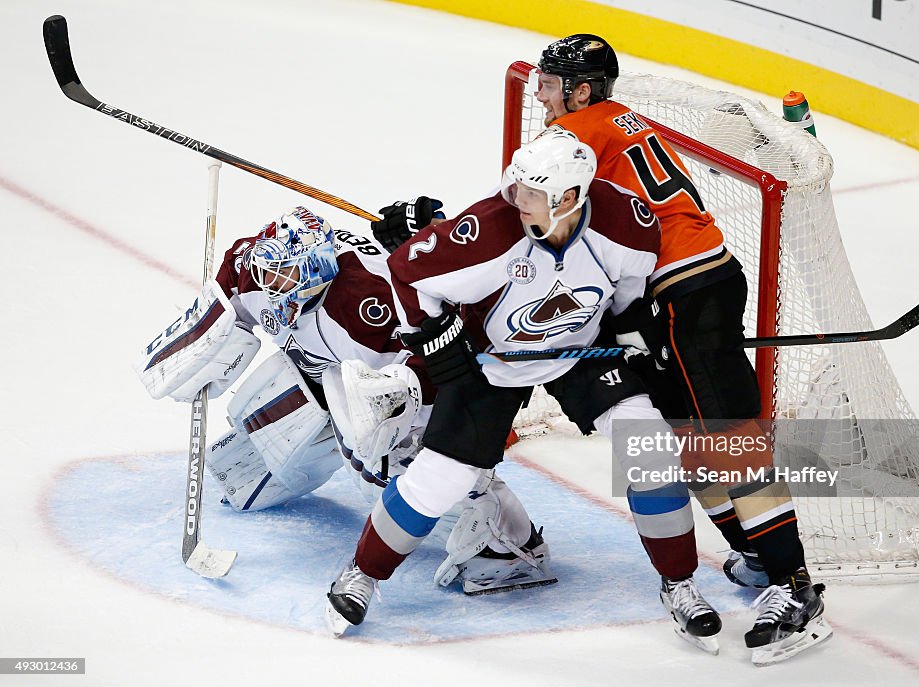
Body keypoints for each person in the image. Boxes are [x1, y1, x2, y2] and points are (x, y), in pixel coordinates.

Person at [331, 133, 722, 654]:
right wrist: (436, 337)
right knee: (440, 478)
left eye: (531, 192)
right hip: (490, 361)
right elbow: (405, 273)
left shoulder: (627, 226)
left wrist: (632, 332)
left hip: (580, 353)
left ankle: (680, 585)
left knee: (648, 446)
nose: (515, 196)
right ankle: (362, 574)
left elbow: (628, 297)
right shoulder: (487, 232)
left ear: (567, 199)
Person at [531, 34, 831, 664]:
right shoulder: (622, 122)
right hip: (685, 287)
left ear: (580, 90)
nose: (539, 92)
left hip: (685, 289)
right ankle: (755, 552)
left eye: (551, 82)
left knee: (729, 437)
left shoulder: (570, 138)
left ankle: (796, 586)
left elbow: (537, 227)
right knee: (688, 439)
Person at [135, 206, 541, 594]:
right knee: (245, 472)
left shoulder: (368, 305)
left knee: (386, 464)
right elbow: (234, 276)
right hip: (326, 377)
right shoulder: (258, 269)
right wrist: (209, 331)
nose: (271, 285)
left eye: (284, 275)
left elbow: (448, 357)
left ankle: (506, 544)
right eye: (268, 273)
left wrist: (405, 391)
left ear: (316, 270)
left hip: (400, 395)